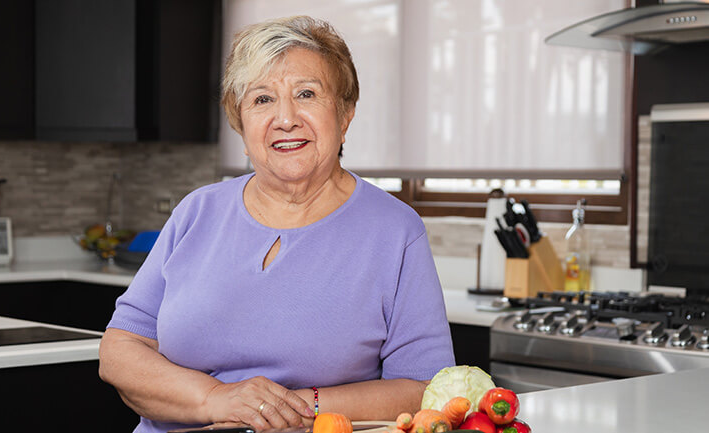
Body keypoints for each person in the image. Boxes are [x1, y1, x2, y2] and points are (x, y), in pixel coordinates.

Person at [99, 15, 455, 433]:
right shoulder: (198, 211)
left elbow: (425, 387)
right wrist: (218, 399)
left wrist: (294, 407)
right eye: (262, 99)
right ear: (240, 122)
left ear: (345, 114)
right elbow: (121, 350)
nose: (285, 118)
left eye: (306, 94)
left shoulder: (396, 231)